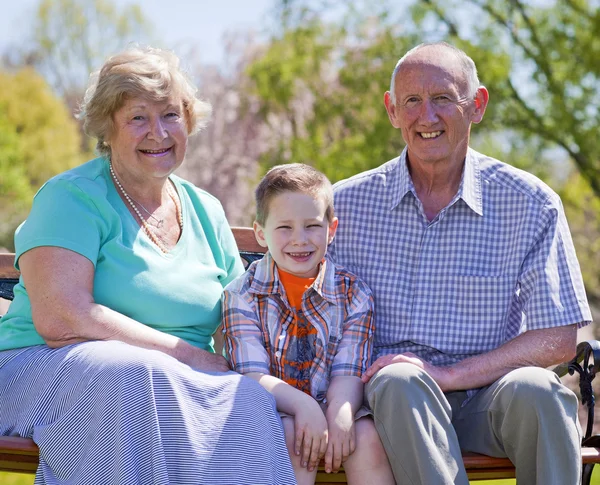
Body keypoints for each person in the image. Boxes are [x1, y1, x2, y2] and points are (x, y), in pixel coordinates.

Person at [0, 46, 296, 485]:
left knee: (249, 401)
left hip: (174, 383)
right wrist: (187, 357)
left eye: (171, 115)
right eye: (138, 117)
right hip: (47, 369)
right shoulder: (72, 197)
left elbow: (240, 323)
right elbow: (61, 317)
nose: (158, 132)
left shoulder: (206, 210)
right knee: (137, 377)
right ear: (108, 128)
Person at [330, 41, 593, 485]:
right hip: (393, 404)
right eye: (412, 101)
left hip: (488, 398)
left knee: (542, 392)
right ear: (392, 110)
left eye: (443, 99)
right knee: (399, 379)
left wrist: (449, 375)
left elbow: (559, 338)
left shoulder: (529, 203)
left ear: (477, 105)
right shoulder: (344, 206)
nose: (426, 116)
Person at [222, 164, 394, 485]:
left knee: (367, 437)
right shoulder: (241, 295)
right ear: (261, 233)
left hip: (337, 400)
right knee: (294, 436)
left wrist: (340, 412)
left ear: (331, 229)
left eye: (312, 226)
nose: (299, 240)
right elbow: (252, 374)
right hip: (272, 410)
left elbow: (348, 370)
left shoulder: (353, 294)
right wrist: (303, 406)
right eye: (284, 227)